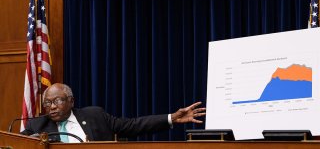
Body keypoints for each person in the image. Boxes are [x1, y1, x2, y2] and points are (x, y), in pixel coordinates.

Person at [21, 83, 206, 142]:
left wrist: (171, 117)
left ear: (71, 101)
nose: (52, 107)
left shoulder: (94, 115)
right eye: (47, 103)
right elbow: (13, 143)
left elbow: (133, 126)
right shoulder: (37, 125)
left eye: (57, 101)